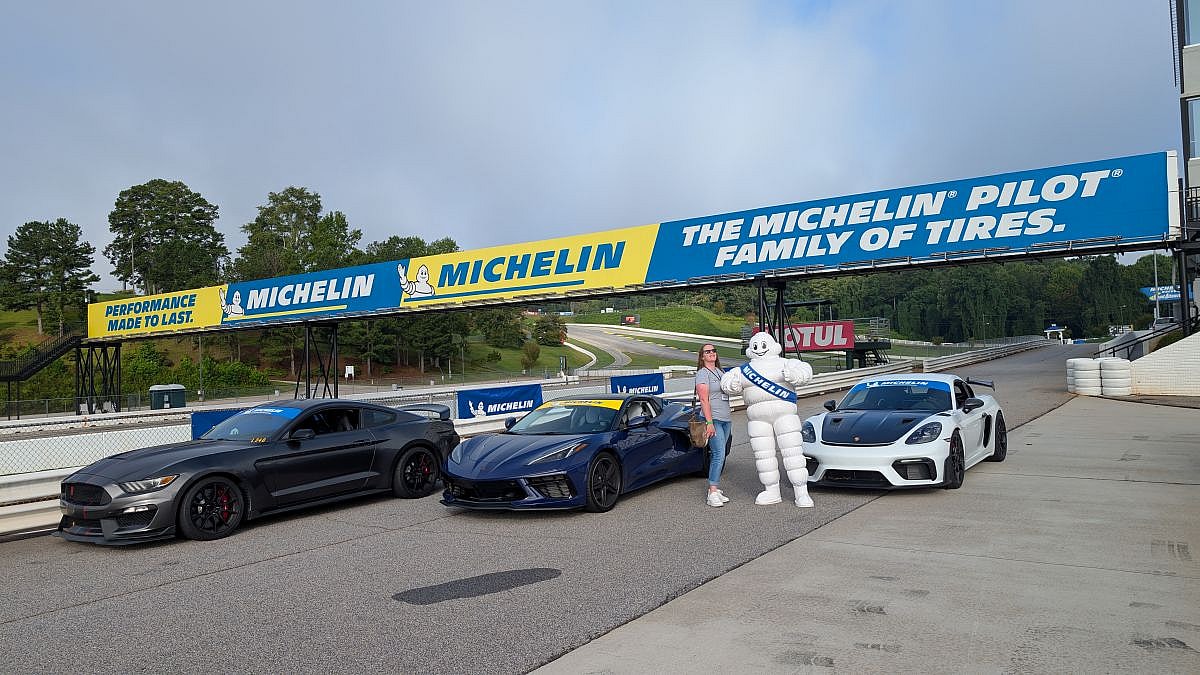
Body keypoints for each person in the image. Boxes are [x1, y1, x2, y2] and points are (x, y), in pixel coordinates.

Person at [695, 343, 732, 507]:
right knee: (718, 454)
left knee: (721, 455)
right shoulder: (703, 373)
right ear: (702, 357)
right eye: (707, 352)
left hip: (726, 419)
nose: (711, 353)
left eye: (713, 351)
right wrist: (709, 422)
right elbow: (703, 399)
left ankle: (715, 489)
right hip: (713, 419)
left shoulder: (720, 372)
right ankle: (712, 490)